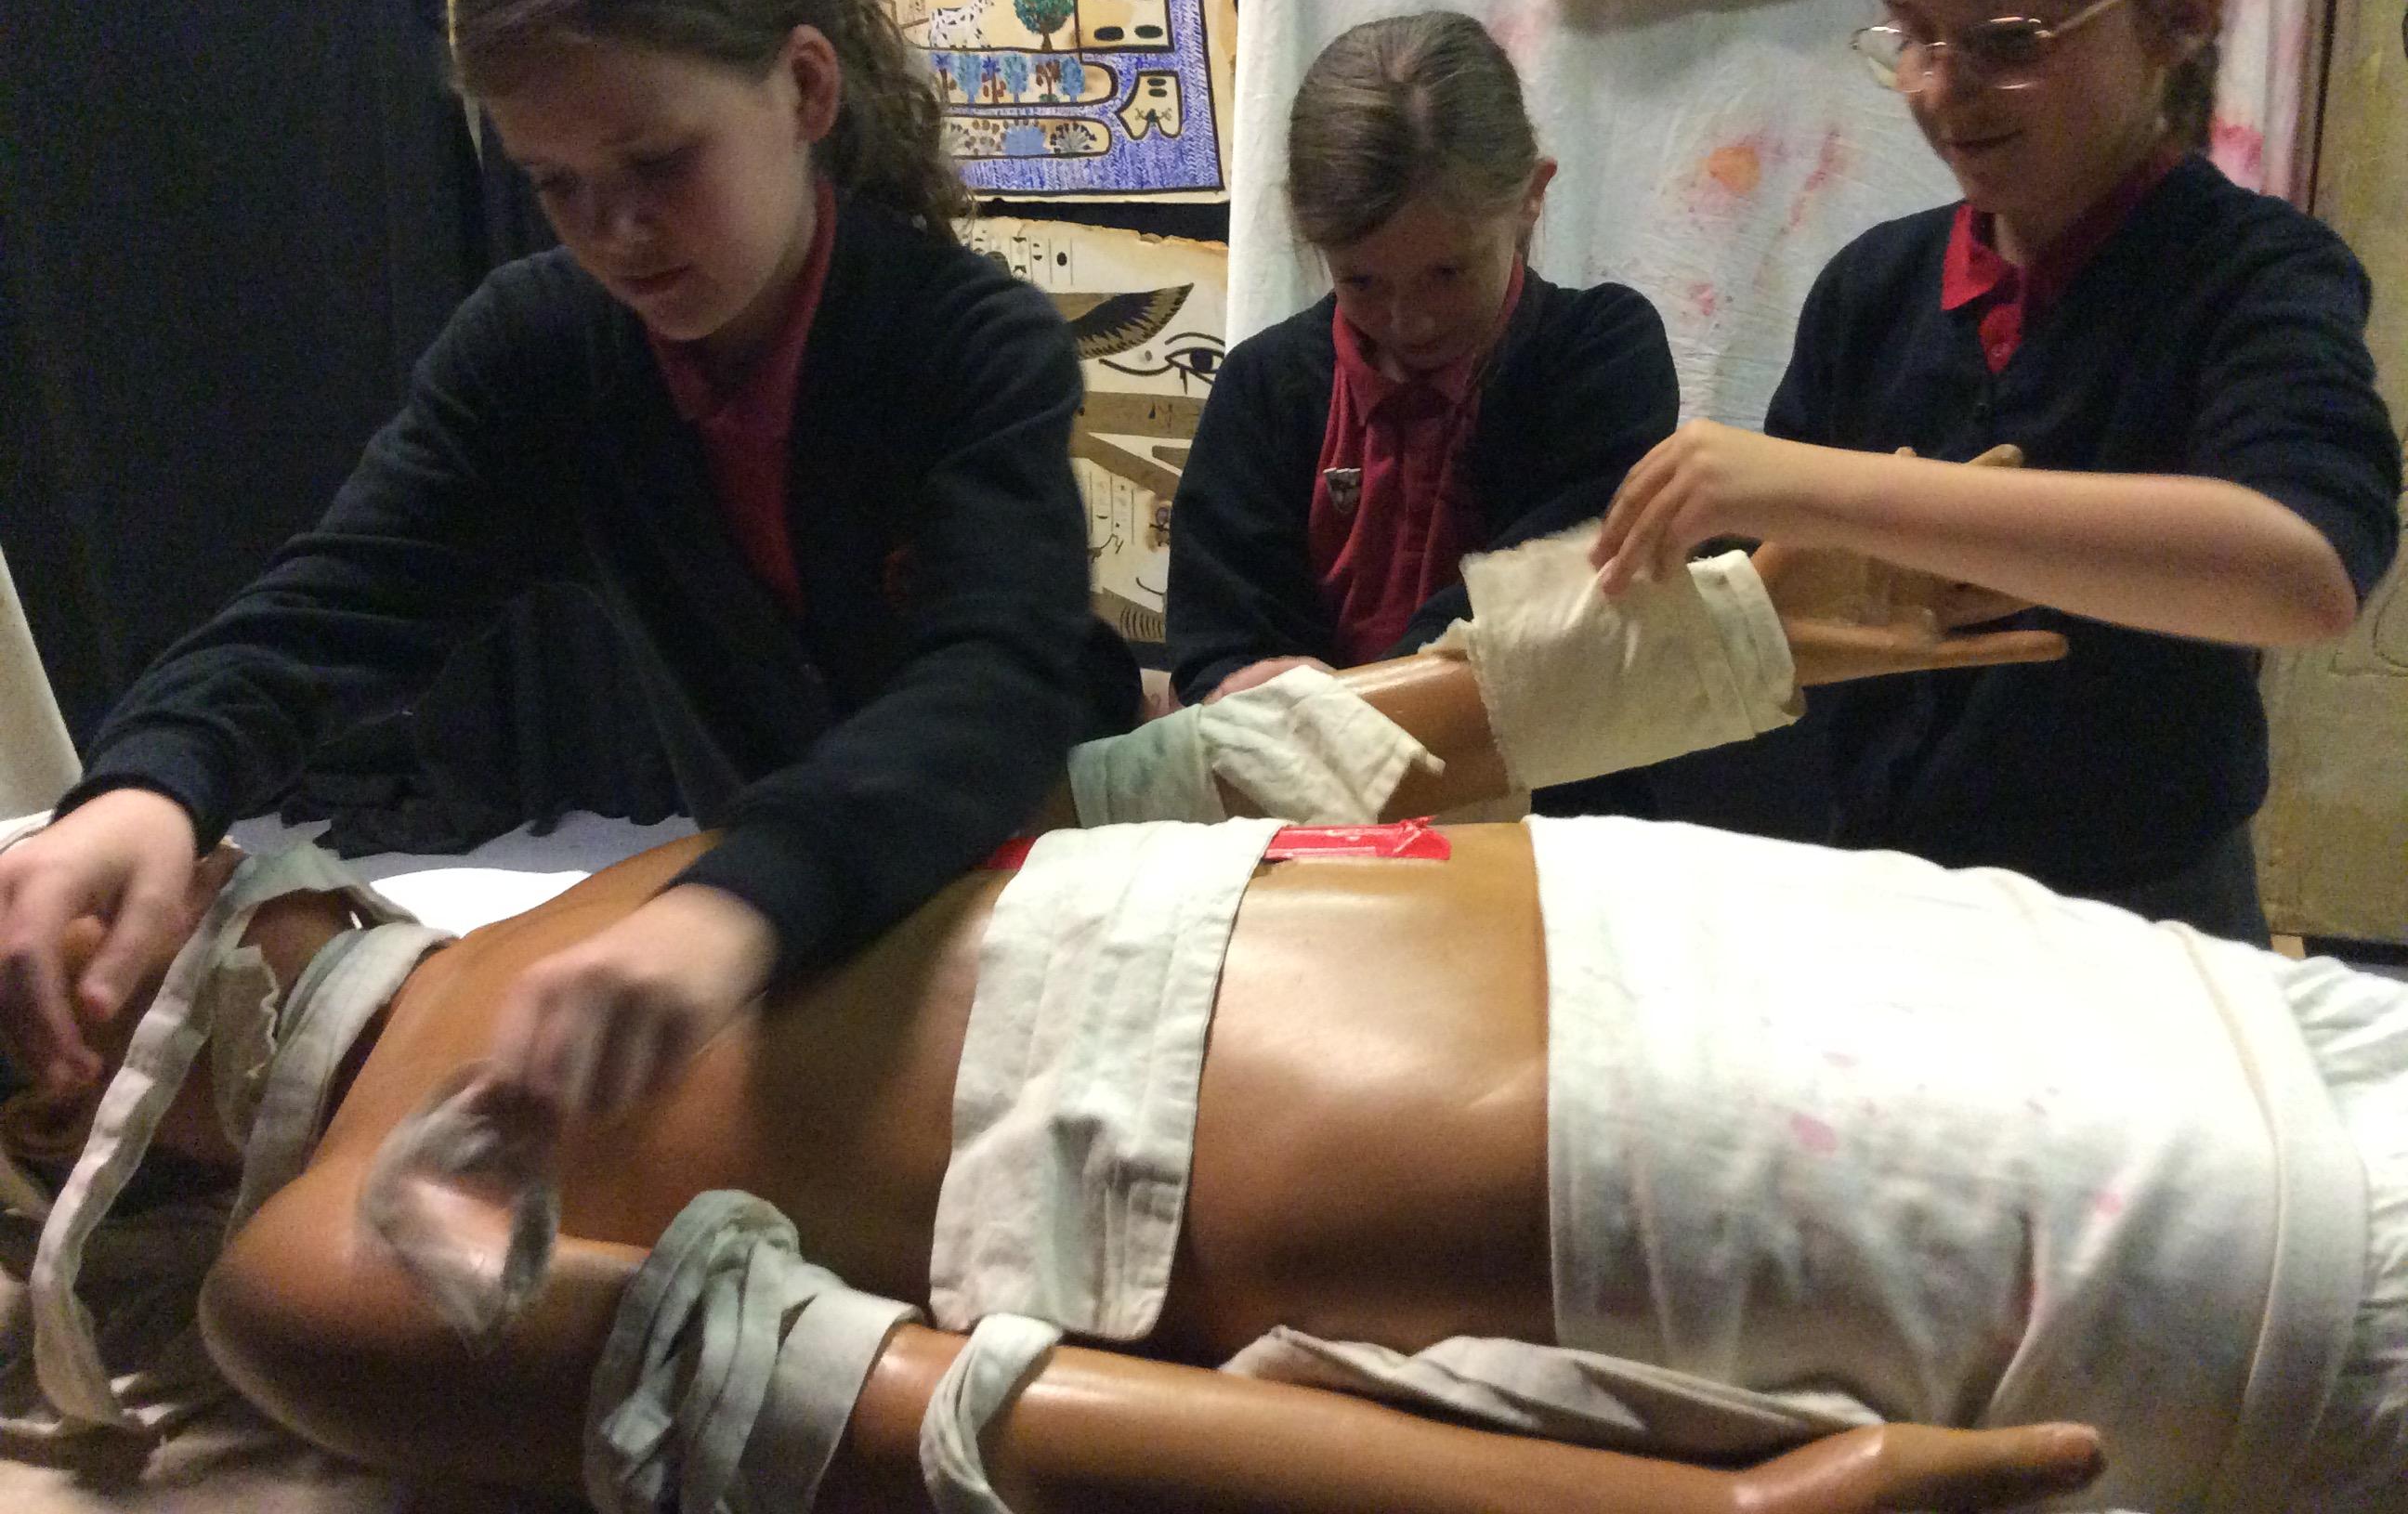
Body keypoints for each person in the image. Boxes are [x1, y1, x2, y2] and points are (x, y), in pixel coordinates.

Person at [138, 812, 2401, 1512]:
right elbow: (937, 1411)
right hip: (1732, 1161)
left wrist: (1720, 627)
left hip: (1855, 938)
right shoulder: (315, 1258)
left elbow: (1194, 770)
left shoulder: (568, 888)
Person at [0, 0, 1132, 1124]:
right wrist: (149, 780)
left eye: (659, 163)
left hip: (1043, 869)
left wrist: (740, 900)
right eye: (556, 184)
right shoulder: (541, 352)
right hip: (779, 910)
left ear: (805, 88)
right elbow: (331, 610)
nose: (617, 232)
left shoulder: (971, 340)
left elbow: (993, 683)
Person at [1591, 0, 2401, 942]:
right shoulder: (1877, 286)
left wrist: (1825, 488)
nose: (1938, 89)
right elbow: (1793, 620)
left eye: (2006, 38)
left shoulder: (2251, 272)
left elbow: (2302, 570)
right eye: (1912, 36)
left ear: (2180, 17)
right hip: (1888, 888)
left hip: (2139, 917)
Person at [1167, 14, 1681, 813]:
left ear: (1531, 196)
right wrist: (1244, 688)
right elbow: (1219, 644)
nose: (1410, 321)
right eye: (1361, 282)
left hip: (1561, 824)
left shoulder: (1603, 352)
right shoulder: (1264, 386)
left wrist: (1337, 707)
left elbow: (1536, 610)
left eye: (1447, 273)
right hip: (1318, 830)